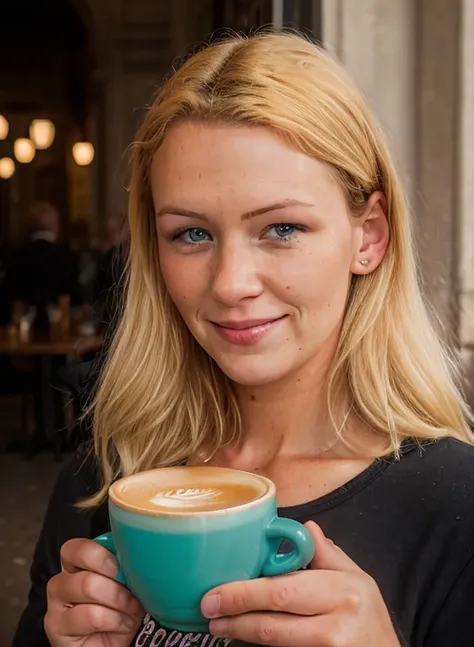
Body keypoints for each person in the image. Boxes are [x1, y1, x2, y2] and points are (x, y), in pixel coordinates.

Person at [13, 31, 474, 647]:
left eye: (281, 228)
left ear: (369, 236)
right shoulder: (105, 479)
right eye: (192, 235)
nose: (231, 284)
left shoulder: (456, 510)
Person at [4, 201, 82, 328]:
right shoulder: (65, 255)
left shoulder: (17, 255)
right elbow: (75, 297)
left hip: (23, 329)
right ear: (55, 224)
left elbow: (8, 294)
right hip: (59, 328)